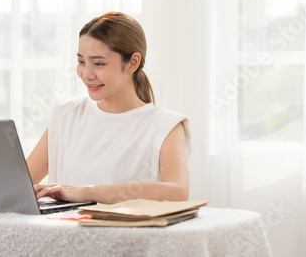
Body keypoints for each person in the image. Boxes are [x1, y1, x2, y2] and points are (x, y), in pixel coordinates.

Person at [26, 11, 191, 204]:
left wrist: (86, 192)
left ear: (133, 63)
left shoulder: (165, 125)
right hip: (64, 232)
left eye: (98, 63)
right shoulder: (66, 115)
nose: (86, 74)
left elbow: (177, 192)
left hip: (126, 234)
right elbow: (17, 185)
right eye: (81, 61)